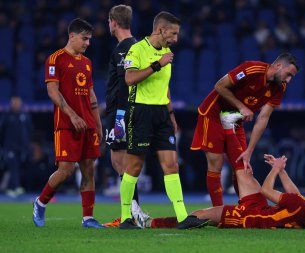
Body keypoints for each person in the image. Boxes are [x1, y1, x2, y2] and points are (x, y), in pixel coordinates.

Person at [120, 11, 208, 229]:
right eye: (173, 33)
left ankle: (182, 217)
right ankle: (125, 218)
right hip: (140, 112)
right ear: (160, 30)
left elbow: (164, 86)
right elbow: (129, 79)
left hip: (161, 114)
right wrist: (157, 64)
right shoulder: (137, 49)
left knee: (171, 165)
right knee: (134, 166)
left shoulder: (167, 52)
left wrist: (170, 114)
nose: (176, 39)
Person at [191, 52, 300, 206]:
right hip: (213, 114)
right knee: (216, 164)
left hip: (235, 121)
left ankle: (245, 208)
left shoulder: (279, 87)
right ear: (278, 66)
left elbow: (263, 118)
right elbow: (219, 86)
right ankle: (218, 211)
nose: (288, 80)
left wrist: (249, 150)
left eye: (291, 78)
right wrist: (241, 107)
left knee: (242, 167)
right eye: (288, 75)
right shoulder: (251, 69)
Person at [133, 153, 305, 229]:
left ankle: (150, 223)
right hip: (261, 209)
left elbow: (267, 190)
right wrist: (281, 172)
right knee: (242, 170)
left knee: (203, 215)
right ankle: (230, 127)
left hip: (251, 217)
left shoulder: (303, 208)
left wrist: (276, 169)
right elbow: (294, 195)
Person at [32, 18, 104, 228]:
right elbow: (52, 91)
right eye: (84, 39)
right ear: (72, 36)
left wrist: (98, 124)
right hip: (66, 123)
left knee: (89, 169)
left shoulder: (87, 63)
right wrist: (72, 115)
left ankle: (88, 218)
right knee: (66, 171)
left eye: (89, 39)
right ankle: (40, 202)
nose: (88, 43)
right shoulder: (55, 59)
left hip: (88, 124)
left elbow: (91, 96)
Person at [101, 4, 149, 228]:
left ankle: (132, 213)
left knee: (120, 161)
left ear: (113, 22)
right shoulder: (137, 45)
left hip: (121, 113)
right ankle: (132, 212)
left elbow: (125, 84)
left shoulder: (124, 49)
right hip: (126, 112)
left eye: (108, 21)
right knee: (122, 162)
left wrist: (119, 114)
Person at [0, 96, 32, 197]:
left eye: (18, 102)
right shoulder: (7, 115)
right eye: (14, 102)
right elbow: (2, 131)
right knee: (12, 166)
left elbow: (30, 129)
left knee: (18, 167)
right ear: (11, 103)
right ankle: (12, 187)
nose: (16, 104)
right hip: (9, 147)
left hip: (22, 147)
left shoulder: (25, 115)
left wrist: (27, 144)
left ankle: (16, 186)